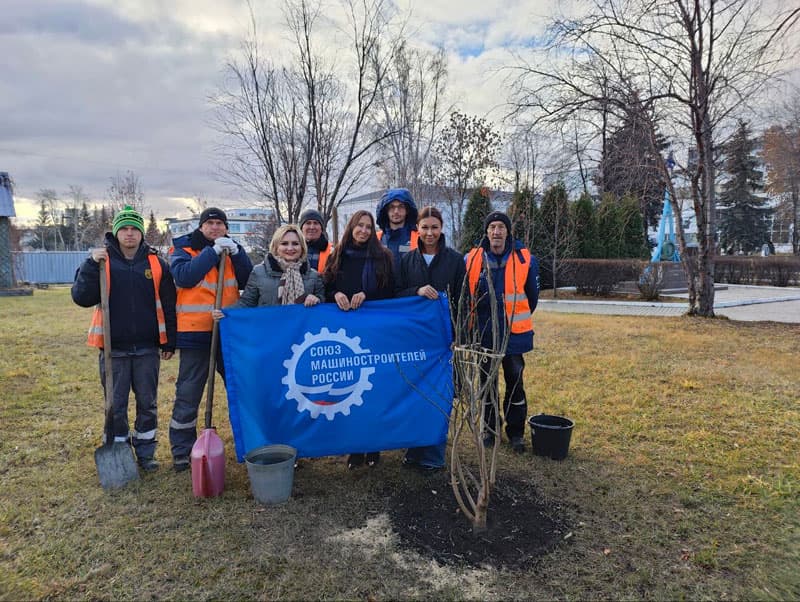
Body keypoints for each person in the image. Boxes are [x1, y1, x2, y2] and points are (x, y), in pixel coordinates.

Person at [71, 205, 177, 471]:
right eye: (124, 229)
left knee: (148, 404)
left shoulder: (156, 264)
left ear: (141, 233)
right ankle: (118, 452)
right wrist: (89, 266)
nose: (129, 234)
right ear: (116, 232)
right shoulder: (102, 261)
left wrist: (169, 341)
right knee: (115, 405)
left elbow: (168, 304)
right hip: (113, 349)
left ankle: (145, 453)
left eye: (134, 229)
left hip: (146, 349)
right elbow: (81, 297)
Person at [168, 207, 253, 472]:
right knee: (189, 393)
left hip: (227, 331)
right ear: (201, 226)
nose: (215, 228)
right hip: (195, 333)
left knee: (241, 390)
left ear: (226, 228)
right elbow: (184, 277)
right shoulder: (184, 249)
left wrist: (237, 254)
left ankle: (250, 442)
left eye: (220, 224)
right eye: (210, 223)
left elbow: (250, 279)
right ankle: (183, 452)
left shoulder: (233, 249)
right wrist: (212, 252)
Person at [323, 209, 395, 469]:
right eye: (359, 225)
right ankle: (354, 447)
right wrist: (337, 295)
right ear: (351, 226)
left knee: (373, 389)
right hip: (344, 335)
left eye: (368, 226)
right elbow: (326, 288)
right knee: (350, 390)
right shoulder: (337, 256)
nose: (364, 230)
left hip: (373, 332)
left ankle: (374, 445)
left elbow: (390, 292)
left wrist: (367, 296)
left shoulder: (383, 257)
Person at [396, 206, 466, 472]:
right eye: (424, 227)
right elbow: (396, 294)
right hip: (414, 339)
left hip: (442, 341)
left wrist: (458, 335)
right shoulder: (407, 261)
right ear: (417, 229)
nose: (429, 233)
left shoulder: (455, 261)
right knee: (414, 394)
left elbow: (462, 300)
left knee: (439, 396)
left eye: (434, 227)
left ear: (442, 228)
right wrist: (416, 290)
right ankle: (414, 451)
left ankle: (433, 456)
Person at [465, 211, 539, 453]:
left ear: (508, 232)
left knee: (515, 381)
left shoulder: (525, 259)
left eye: (501, 227)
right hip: (484, 333)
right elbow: (467, 296)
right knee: (487, 383)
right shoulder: (472, 259)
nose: (496, 231)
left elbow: (532, 297)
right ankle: (490, 429)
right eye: (492, 227)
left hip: (514, 335)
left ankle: (516, 432)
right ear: (486, 232)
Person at [214, 224, 324, 313]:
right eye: (284, 244)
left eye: (295, 244)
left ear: (302, 247)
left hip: (301, 336)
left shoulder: (313, 276)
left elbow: (324, 305)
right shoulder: (259, 272)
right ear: (276, 247)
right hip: (268, 335)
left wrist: (316, 300)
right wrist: (225, 313)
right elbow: (246, 303)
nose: (290, 248)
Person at [375, 188, 418, 272]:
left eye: (401, 206)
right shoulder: (376, 238)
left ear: (407, 210)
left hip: (411, 285)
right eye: (392, 207)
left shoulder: (418, 238)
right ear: (386, 210)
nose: (396, 211)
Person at [299, 209, 333, 273]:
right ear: (301, 228)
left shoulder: (332, 251)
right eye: (308, 223)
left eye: (316, 223)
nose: (312, 227)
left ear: (321, 228)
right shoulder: (292, 249)